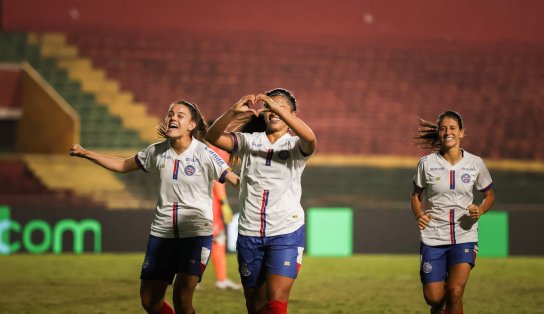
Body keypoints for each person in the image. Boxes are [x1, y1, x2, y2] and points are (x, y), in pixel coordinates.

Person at [70, 100, 239, 314]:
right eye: (170, 114)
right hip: (162, 233)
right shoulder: (157, 152)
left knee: (182, 298)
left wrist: (257, 186)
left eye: (180, 115)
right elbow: (123, 165)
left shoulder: (204, 153)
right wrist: (87, 153)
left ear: (192, 125)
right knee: (150, 301)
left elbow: (233, 178)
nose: (173, 118)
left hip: (195, 233)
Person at [205, 88, 317, 314]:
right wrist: (231, 113)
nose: (273, 111)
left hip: (286, 231)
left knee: (276, 302)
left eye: (280, 107)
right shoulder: (248, 141)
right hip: (249, 232)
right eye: (269, 107)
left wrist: (276, 107)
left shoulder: (295, 146)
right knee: (255, 306)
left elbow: (310, 138)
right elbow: (212, 137)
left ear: (292, 114)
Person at [411, 110, 495, 314]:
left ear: (462, 133)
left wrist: (480, 209)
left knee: (455, 292)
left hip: (464, 235)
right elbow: (415, 196)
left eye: (452, 128)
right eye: (443, 128)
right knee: (435, 298)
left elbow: (489, 195)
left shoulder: (475, 163)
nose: (448, 132)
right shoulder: (426, 164)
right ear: (439, 133)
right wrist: (420, 215)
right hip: (433, 237)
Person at [209, 142, 242, 290]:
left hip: (206, 202)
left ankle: (221, 279)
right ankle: (186, 278)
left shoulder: (202, 149)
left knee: (216, 240)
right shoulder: (217, 151)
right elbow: (217, 180)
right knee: (216, 239)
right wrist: (224, 203)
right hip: (211, 204)